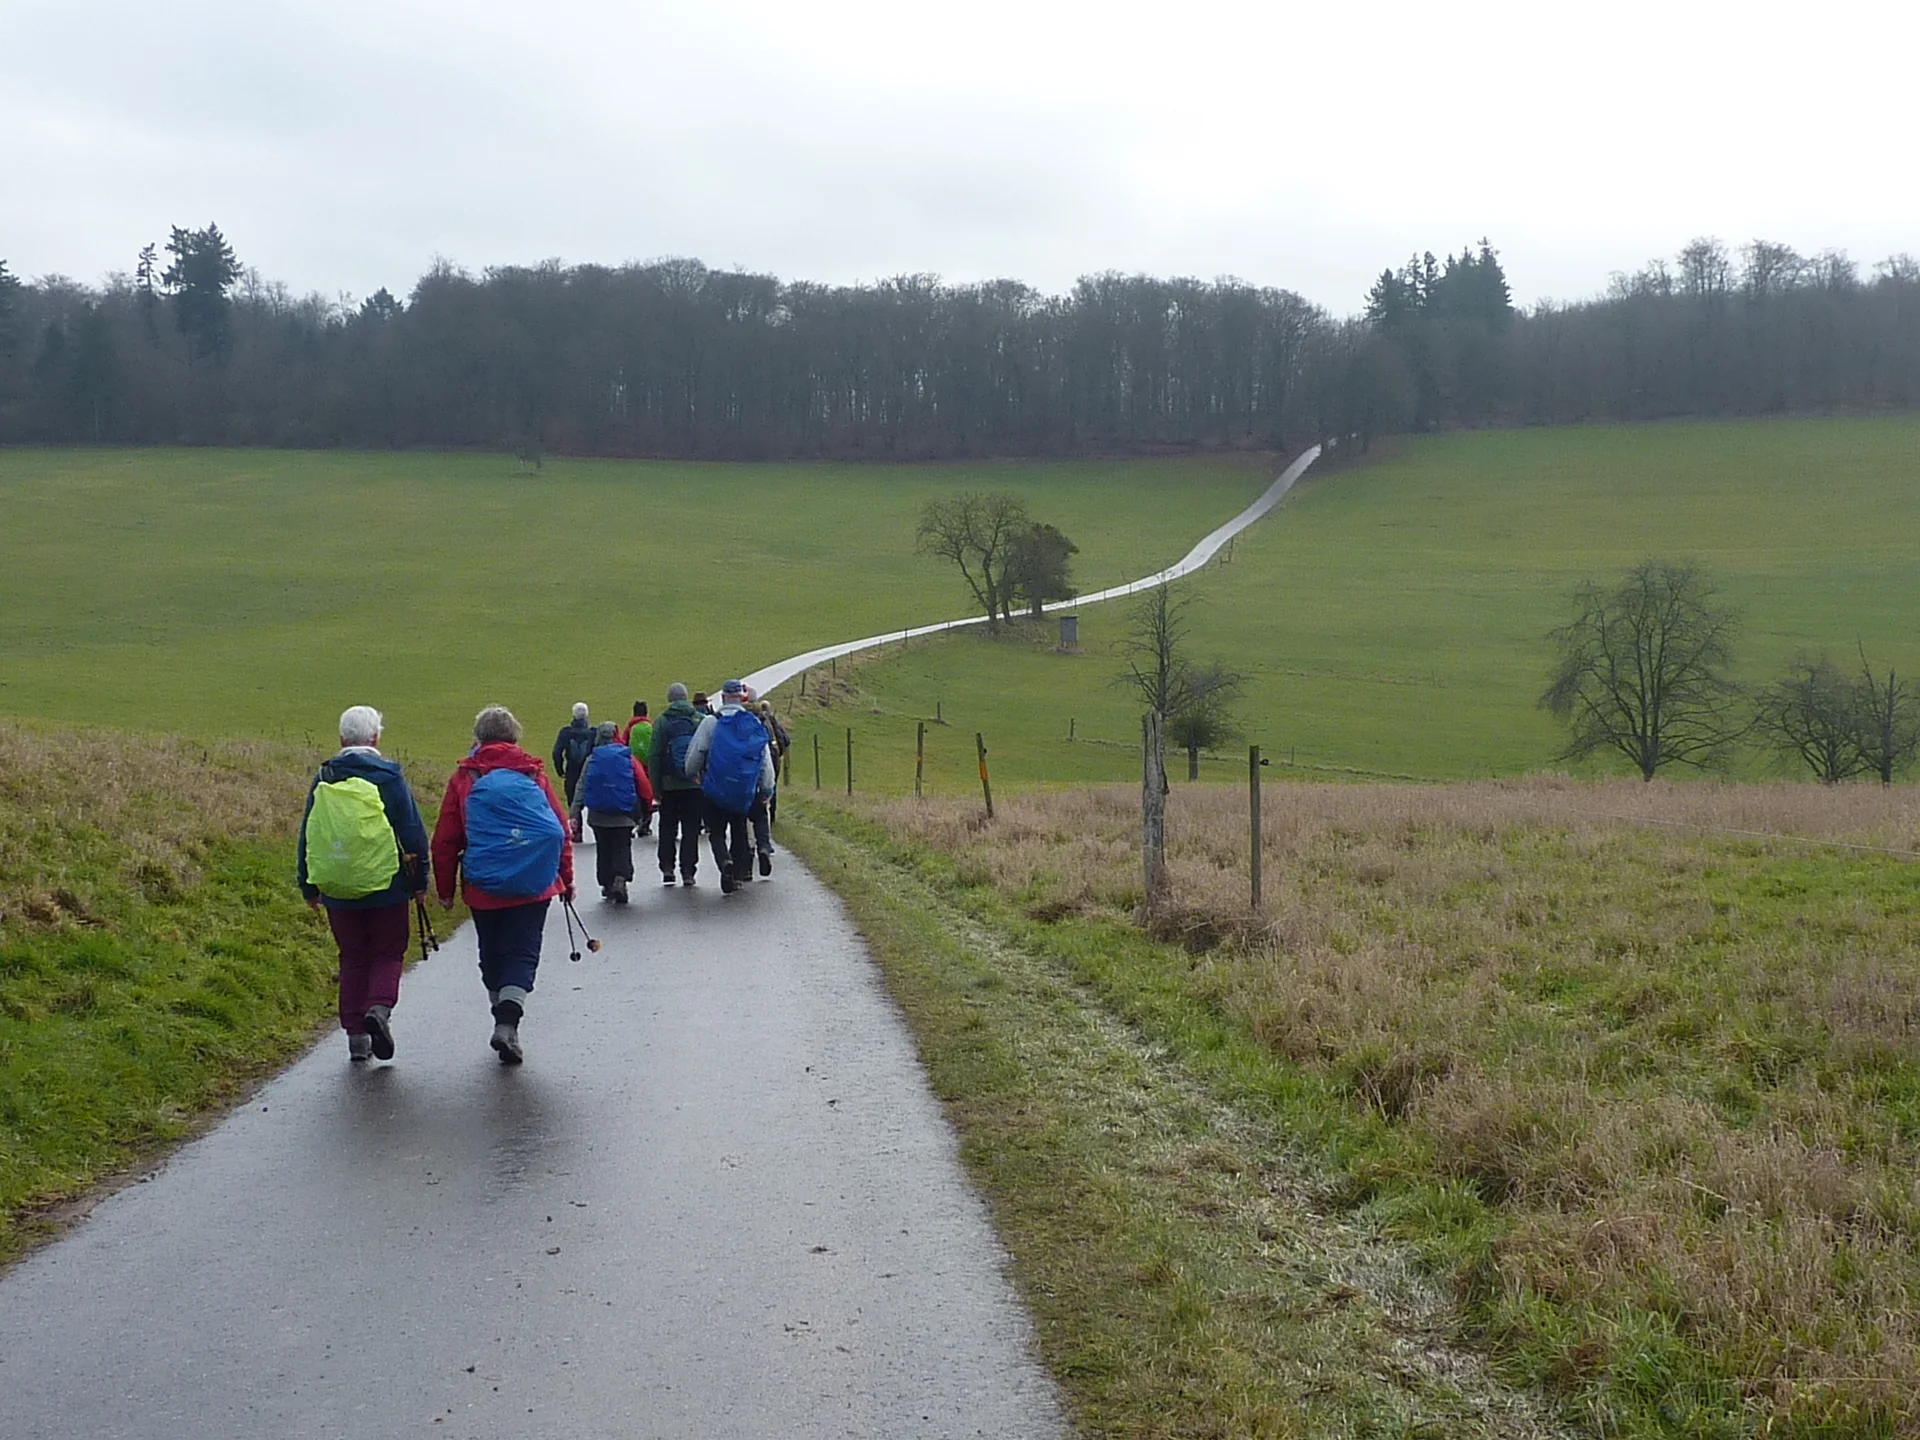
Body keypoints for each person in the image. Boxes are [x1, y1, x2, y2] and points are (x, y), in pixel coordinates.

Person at [434, 705, 575, 1065]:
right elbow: (559, 830)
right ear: (515, 736)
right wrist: (566, 880)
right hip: (534, 884)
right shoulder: (533, 774)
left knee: (492, 955)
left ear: (478, 738)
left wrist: (446, 890)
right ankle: (507, 1024)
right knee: (523, 954)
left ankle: (502, 1016)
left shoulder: (465, 778)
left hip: (484, 886)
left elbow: (446, 840)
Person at [297, 705, 431, 1063]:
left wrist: (308, 885)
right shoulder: (388, 778)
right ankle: (379, 1009)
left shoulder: (325, 776)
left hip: (337, 884)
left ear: (342, 739)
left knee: (352, 956)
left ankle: (356, 1039)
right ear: (376, 738)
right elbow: (413, 833)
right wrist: (420, 882)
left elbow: (309, 833)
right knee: (388, 952)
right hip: (387, 884)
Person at [683, 679, 775, 894]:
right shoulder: (751, 723)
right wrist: (766, 790)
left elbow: (695, 756)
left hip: (714, 789)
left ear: (723, 697)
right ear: (742, 699)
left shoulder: (710, 723)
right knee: (739, 829)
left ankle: (724, 862)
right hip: (742, 790)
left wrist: (692, 775)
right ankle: (738, 874)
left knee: (716, 832)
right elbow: (763, 760)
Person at [571, 721, 655, 904]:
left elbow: (581, 787)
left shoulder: (592, 758)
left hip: (598, 814)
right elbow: (642, 783)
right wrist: (647, 807)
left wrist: (574, 813)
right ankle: (621, 878)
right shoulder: (627, 757)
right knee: (622, 846)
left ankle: (607, 883)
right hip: (623, 813)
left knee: (604, 848)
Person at [648, 683, 705, 886]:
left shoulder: (662, 722)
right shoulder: (699, 719)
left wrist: (656, 789)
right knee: (691, 829)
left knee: (668, 827)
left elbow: (654, 756)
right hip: (694, 784)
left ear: (670, 699)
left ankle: (667, 868)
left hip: (669, 785)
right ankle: (688, 870)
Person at [750, 696, 790, 872]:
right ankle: (764, 845)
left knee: (745, 814)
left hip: (743, 776)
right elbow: (784, 739)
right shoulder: (768, 721)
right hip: (770, 759)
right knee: (766, 798)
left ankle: (750, 847)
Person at [551, 702, 597, 836]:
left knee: (573, 800)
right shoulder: (593, 733)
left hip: (572, 771)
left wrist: (560, 770)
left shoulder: (566, 733)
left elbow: (556, 752)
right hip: (590, 771)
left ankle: (577, 831)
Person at [618, 702, 654, 834]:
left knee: (636, 795)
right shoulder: (650, 725)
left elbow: (623, 744)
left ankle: (635, 821)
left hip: (634, 767)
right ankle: (646, 822)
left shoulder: (630, 727)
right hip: (648, 767)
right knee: (648, 795)